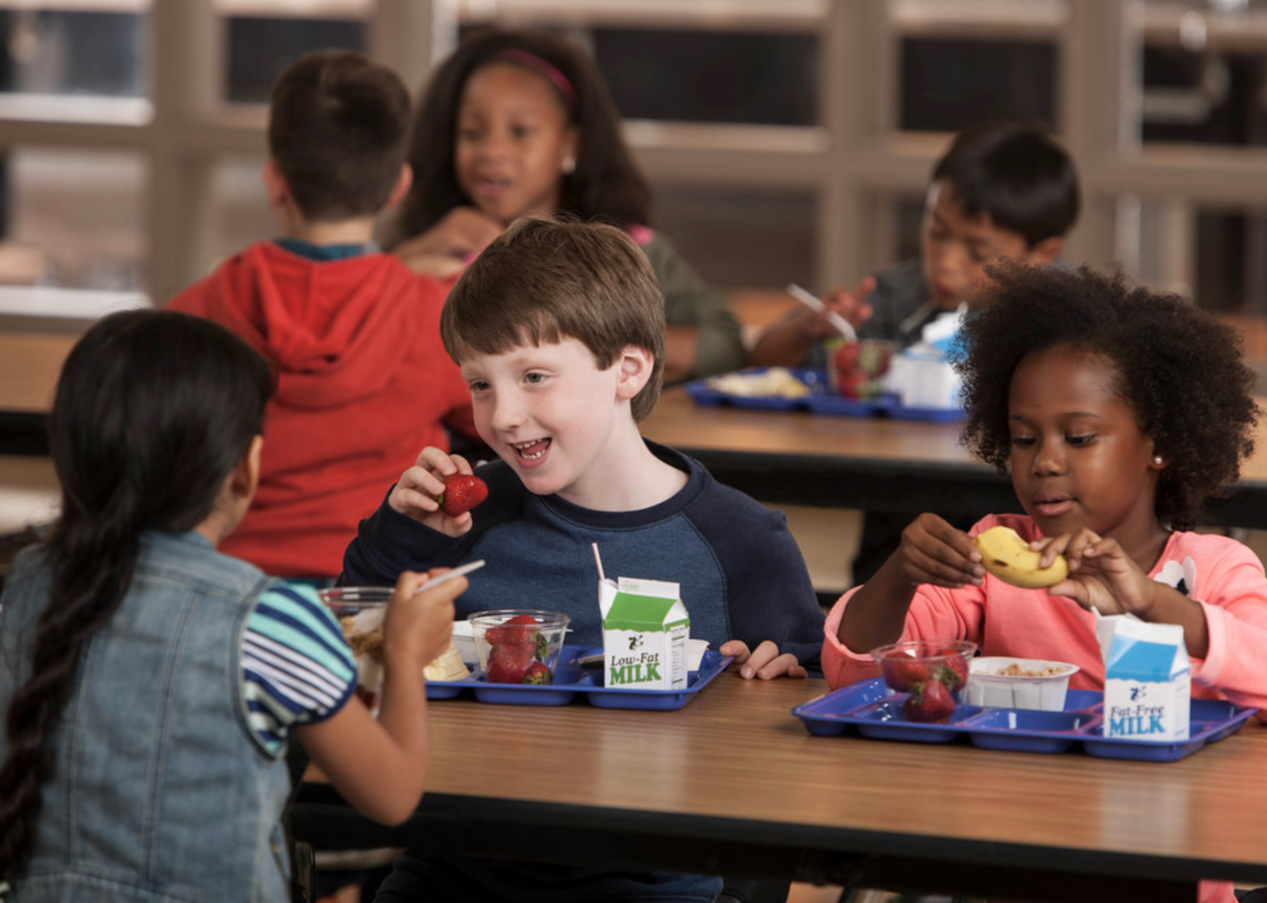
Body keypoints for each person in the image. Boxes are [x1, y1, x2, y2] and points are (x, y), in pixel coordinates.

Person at [343, 217, 826, 903]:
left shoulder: (742, 541)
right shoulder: (462, 520)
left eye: (534, 375)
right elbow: (353, 657)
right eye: (480, 384)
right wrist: (404, 533)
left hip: (654, 886)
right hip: (455, 871)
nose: (504, 414)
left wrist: (786, 678)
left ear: (627, 369)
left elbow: (806, 729)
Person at [821, 265, 1267, 903]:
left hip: (1161, 877)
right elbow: (857, 673)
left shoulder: (1212, 569)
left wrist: (1152, 603)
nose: (1046, 461)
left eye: (1080, 437)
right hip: (1010, 868)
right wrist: (900, 573)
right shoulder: (996, 558)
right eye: (1024, 439)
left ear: (1160, 445)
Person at [0, 310, 466, 902]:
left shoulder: (22, 589)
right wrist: (403, 650)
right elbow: (392, 796)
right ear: (245, 468)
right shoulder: (271, 618)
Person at [167, 48, 479, 582]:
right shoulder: (438, 316)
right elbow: (503, 418)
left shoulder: (191, 317)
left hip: (228, 597)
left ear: (274, 181)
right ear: (398, 187)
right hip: (379, 598)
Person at [751, 119, 1081, 586]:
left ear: (1041, 254)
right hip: (900, 540)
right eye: (937, 232)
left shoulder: (1075, 318)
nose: (946, 261)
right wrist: (808, 331)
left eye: (977, 251)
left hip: (1031, 538)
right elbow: (763, 365)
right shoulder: (895, 298)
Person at [384, 27, 746, 383]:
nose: (492, 151)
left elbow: (723, 344)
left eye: (521, 130)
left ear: (572, 144)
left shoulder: (633, 251)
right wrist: (401, 265)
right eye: (473, 133)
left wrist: (581, 334)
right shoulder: (429, 249)